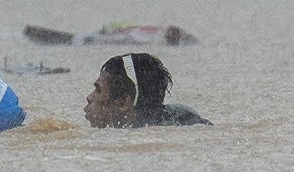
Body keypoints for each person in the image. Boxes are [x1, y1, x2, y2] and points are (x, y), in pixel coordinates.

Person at [83, 52, 211, 128]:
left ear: (123, 103)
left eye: (98, 90)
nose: (89, 97)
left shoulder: (138, 140)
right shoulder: (185, 116)